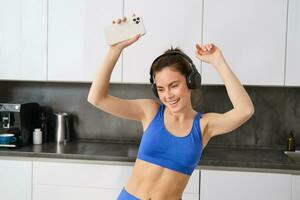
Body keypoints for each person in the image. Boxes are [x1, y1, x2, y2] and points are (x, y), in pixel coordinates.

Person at [87, 16, 254, 200]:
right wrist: (114, 50)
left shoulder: (204, 126)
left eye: (174, 85)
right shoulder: (150, 112)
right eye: (160, 89)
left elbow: (244, 111)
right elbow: (97, 98)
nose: (168, 95)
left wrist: (218, 62)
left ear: (191, 81)